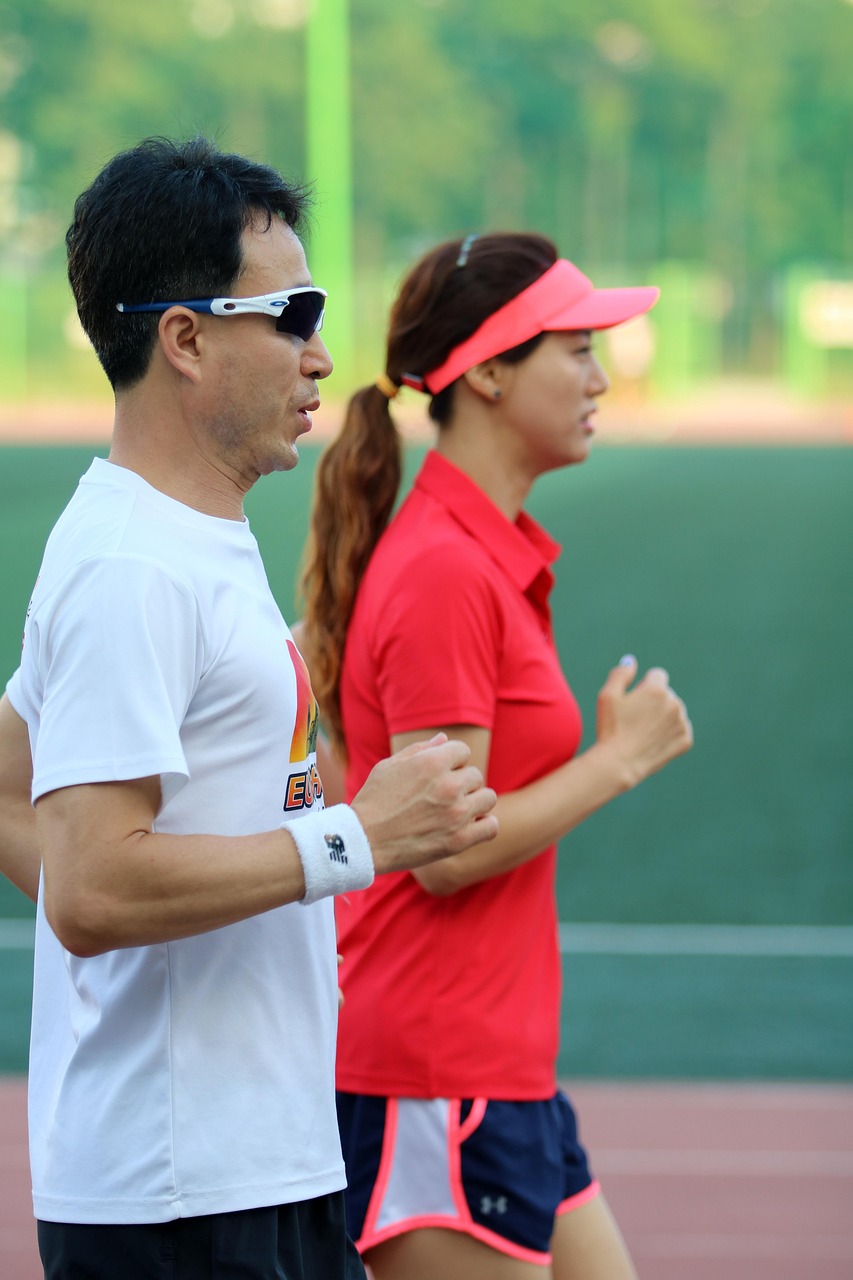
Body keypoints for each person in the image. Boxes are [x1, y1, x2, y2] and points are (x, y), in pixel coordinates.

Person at [0, 138, 499, 1280]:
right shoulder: (132, 565)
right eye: (292, 315)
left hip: (247, 1166)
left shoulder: (178, 538)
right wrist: (357, 837)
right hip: (181, 1196)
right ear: (183, 338)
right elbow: (93, 888)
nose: (320, 355)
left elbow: (10, 782)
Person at [299, 232, 694, 1280]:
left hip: (494, 1072)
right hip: (434, 1075)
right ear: (487, 372)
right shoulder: (444, 569)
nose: (600, 377)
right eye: (576, 349)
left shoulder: (479, 552)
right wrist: (617, 759)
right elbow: (444, 847)